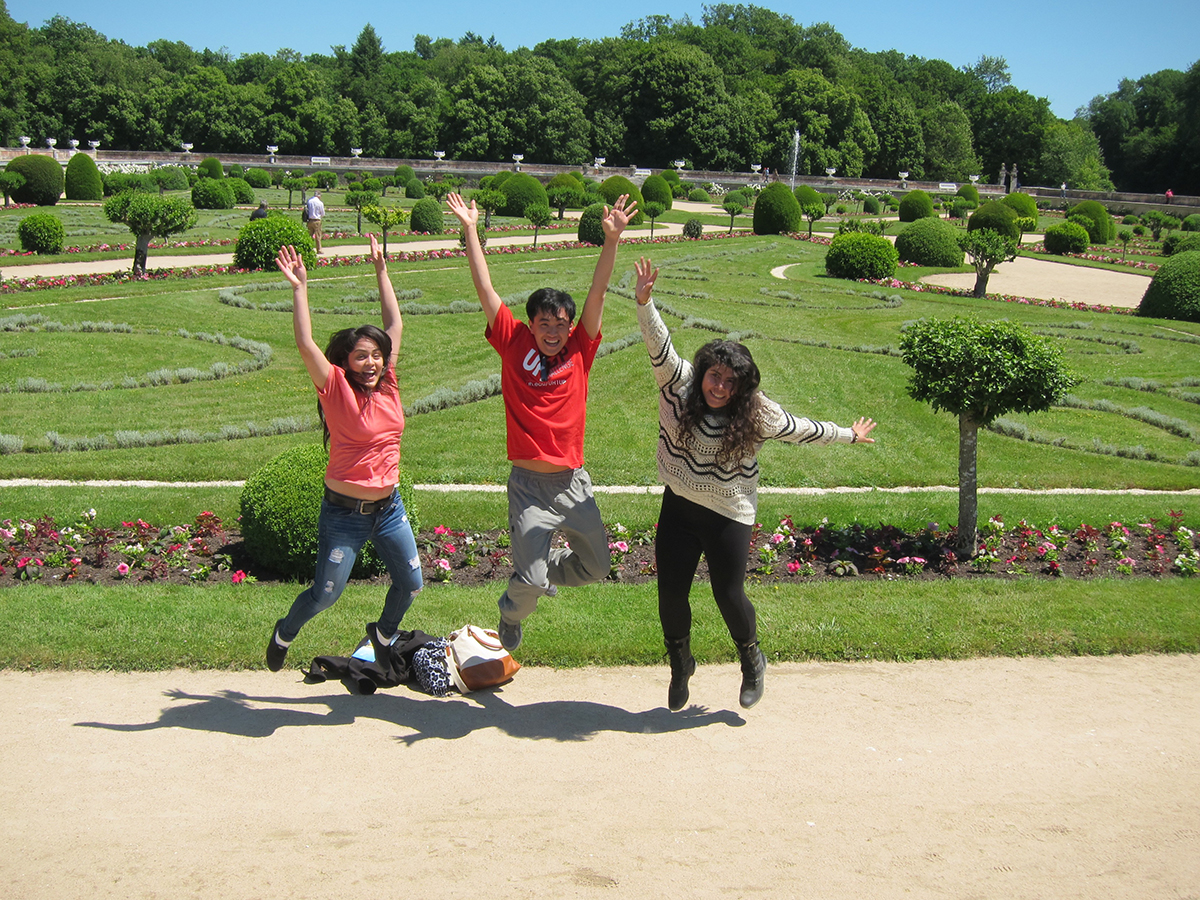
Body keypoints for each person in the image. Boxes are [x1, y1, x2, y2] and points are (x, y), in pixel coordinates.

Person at [631, 257, 877, 710]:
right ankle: (681, 662)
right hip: (680, 507)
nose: (719, 387)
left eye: (730, 382)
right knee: (670, 594)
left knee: (728, 593)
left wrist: (849, 434)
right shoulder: (679, 386)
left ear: (742, 387)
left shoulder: (758, 413)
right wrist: (645, 302)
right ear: (702, 371)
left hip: (728, 513)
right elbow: (659, 346)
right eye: (714, 376)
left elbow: (803, 428)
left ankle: (752, 659)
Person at [446, 190, 637, 651]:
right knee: (527, 584)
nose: (552, 332)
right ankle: (511, 608)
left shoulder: (580, 349)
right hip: (529, 487)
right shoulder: (512, 342)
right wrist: (471, 230)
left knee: (596, 568)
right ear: (530, 325)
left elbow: (597, 293)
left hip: (573, 484)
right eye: (544, 324)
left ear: (571, 327)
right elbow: (485, 289)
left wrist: (610, 240)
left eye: (560, 324)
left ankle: (537, 568)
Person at [265, 234, 422, 672]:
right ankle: (285, 632)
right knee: (326, 594)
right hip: (344, 514)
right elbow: (305, 344)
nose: (371, 363)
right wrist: (300, 289)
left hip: (388, 508)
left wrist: (382, 271)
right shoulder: (334, 387)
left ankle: (384, 634)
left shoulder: (388, 383)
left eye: (375, 356)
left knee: (411, 584)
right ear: (345, 362)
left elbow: (396, 327)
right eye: (360, 357)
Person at [305, 189, 326, 253]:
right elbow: (322, 213)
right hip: (317, 220)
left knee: (309, 236)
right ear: (319, 196)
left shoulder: (309, 201)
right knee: (318, 236)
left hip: (309, 220)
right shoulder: (320, 203)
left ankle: (308, 249)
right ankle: (319, 249)